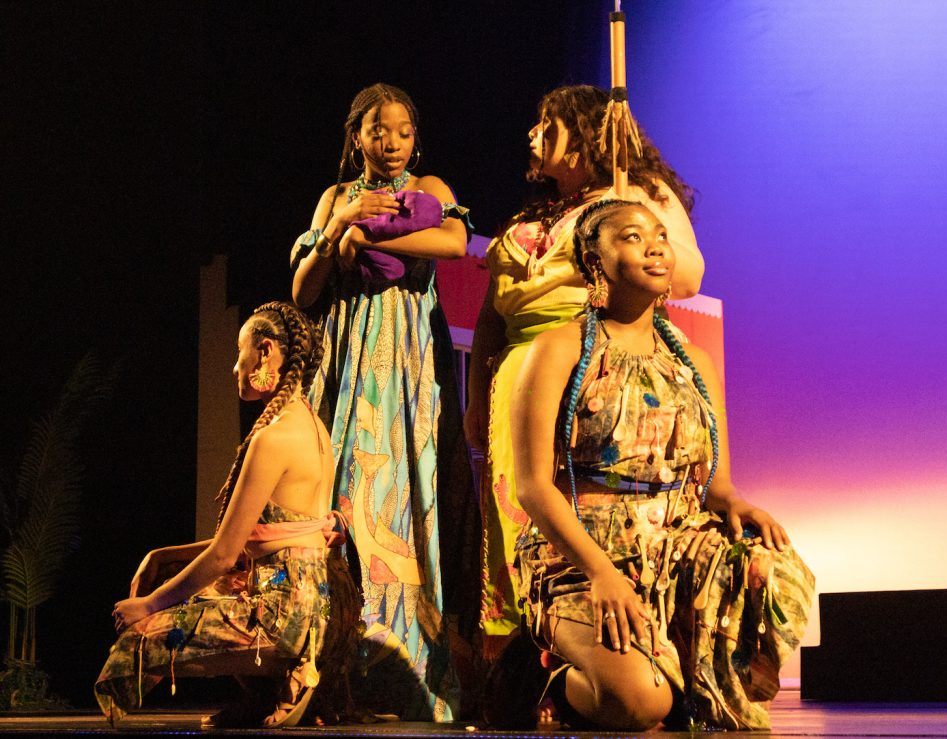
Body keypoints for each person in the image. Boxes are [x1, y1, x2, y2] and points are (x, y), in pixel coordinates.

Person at [504, 200, 814, 730]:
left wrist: (738, 504)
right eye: (631, 236)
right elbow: (533, 487)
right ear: (594, 260)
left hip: (675, 547)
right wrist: (599, 570)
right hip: (584, 556)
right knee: (640, 705)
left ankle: (676, 664)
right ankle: (536, 677)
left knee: (778, 571)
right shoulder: (556, 350)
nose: (654, 245)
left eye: (660, 235)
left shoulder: (694, 362)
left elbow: (717, 486)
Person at [465, 85, 706, 654]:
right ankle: (517, 659)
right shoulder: (530, 218)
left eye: (547, 124)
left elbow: (687, 274)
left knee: (570, 499)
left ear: (584, 136)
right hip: (514, 378)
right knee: (508, 513)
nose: (532, 135)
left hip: (584, 368)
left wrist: (636, 219)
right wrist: (477, 394)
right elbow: (491, 316)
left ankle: (585, 645)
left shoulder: (631, 197)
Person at [290, 83, 476, 721]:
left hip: (409, 361)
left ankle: (410, 667)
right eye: (378, 130)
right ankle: (331, 666)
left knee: (409, 493)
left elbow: (453, 246)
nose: (391, 142)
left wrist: (368, 241)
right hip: (346, 362)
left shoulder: (434, 189)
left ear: (414, 137)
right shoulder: (336, 198)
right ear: (357, 138)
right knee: (342, 493)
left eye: (401, 130)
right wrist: (340, 225)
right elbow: (303, 290)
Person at [95, 302, 349, 728]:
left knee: (137, 641)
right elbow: (266, 533)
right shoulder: (314, 428)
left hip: (283, 614)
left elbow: (225, 554)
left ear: (265, 351)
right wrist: (162, 554)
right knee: (205, 584)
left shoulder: (274, 437)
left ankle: (289, 677)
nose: (235, 367)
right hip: (322, 610)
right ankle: (269, 694)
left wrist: (147, 606)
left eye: (240, 352)